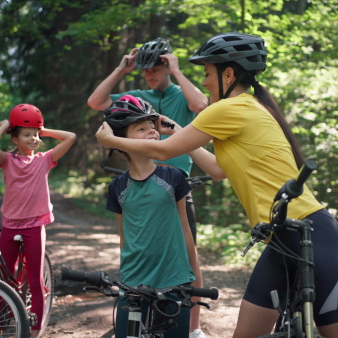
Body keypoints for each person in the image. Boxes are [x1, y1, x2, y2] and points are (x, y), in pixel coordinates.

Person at [95, 32, 338, 338]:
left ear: (228, 74)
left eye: (208, 74)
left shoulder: (229, 109)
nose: (206, 82)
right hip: (281, 238)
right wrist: (176, 130)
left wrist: (109, 139)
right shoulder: (246, 108)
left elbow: (163, 152)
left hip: (310, 232)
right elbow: (217, 169)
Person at [87, 37, 208, 337]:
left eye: (156, 68)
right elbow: (96, 102)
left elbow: (200, 105)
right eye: (145, 71)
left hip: (175, 180)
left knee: (185, 246)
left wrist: (178, 71)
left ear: (166, 66)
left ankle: (193, 326)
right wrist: (121, 69)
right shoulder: (138, 97)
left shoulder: (181, 94)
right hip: (137, 179)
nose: (150, 75)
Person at [103, 95, 201, 338]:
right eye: (141, 128)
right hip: (133, 284)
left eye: (152, 127)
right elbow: (124, 239)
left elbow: (186, 234)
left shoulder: (173, 177)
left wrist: (194, 283)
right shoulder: (117, 187)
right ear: (121, 140)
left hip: (175, 281)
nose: (152, 132)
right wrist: (124, 283)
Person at [0, 103, 76, 338]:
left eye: (36, 135)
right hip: (11, 225)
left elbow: (71, 137)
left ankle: (33, 333)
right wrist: (6, 125)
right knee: (2, 280)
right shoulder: (7, 161)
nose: (34, 139)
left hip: (35, 226)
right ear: (14, 140)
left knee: (35, 281)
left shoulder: (44, 160)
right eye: (27, 135)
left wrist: (43, 130)